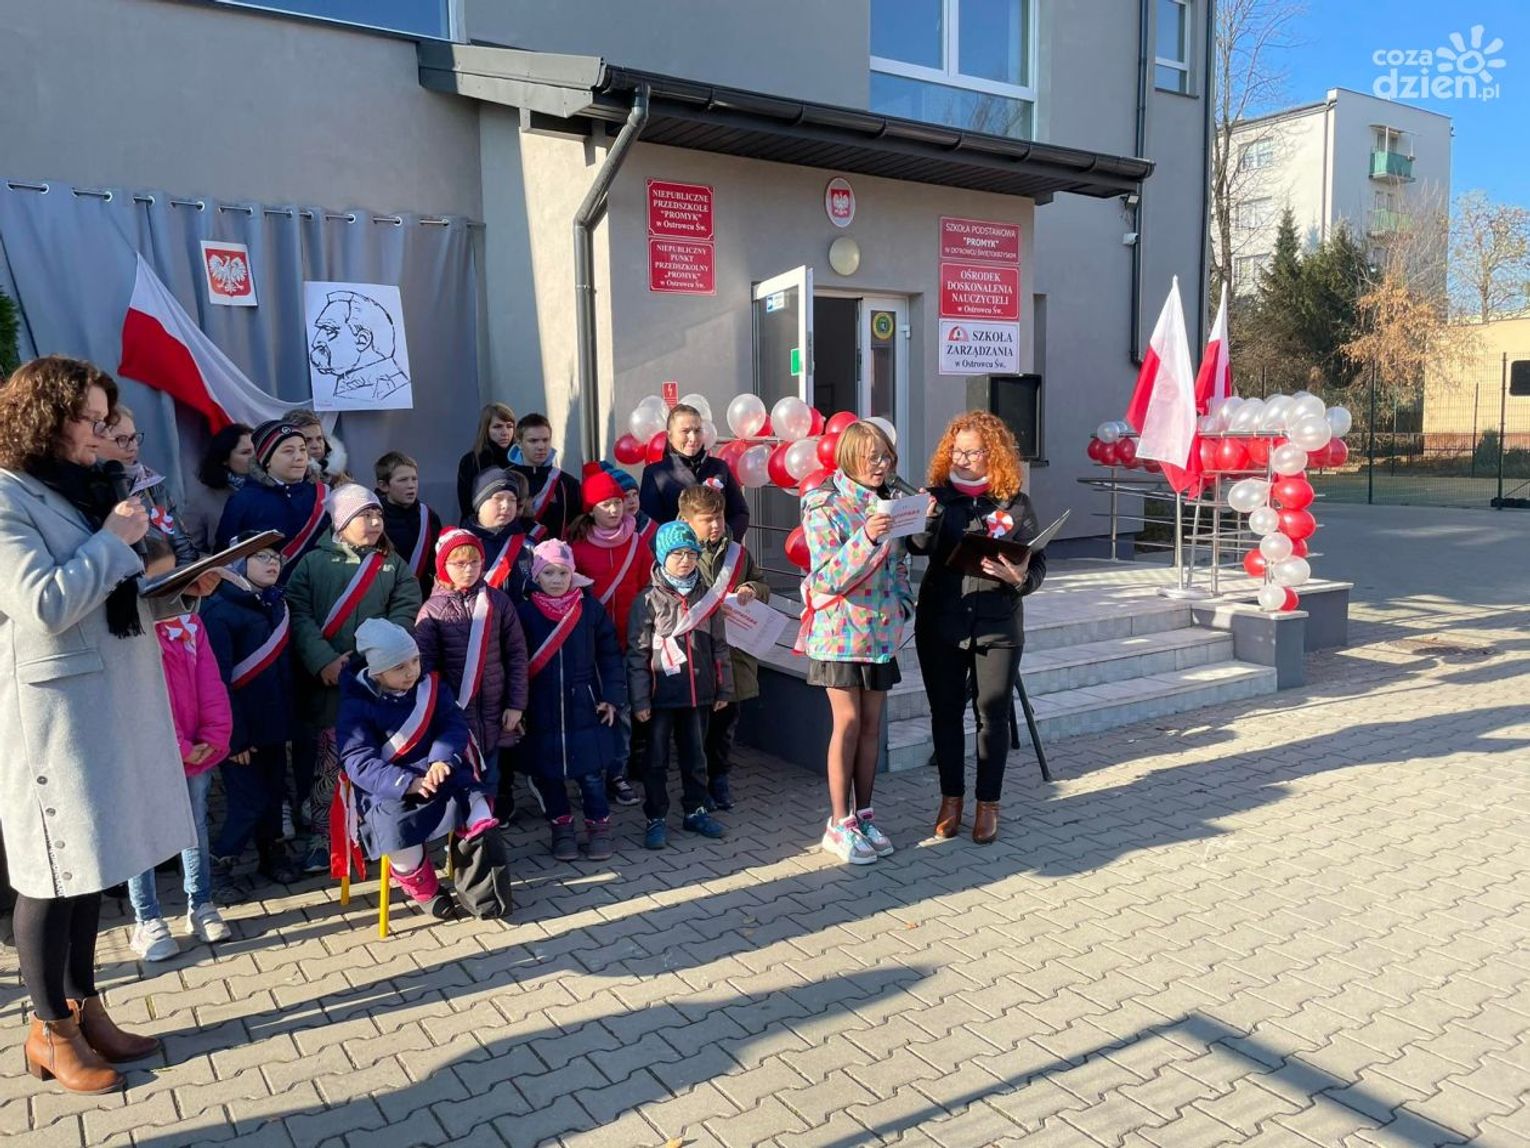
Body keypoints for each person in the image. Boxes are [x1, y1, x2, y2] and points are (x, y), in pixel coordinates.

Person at [0, 356, 214, 1093]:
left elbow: (114, 595)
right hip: (53, 716)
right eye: (89, 420)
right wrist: (113, 539)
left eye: (103, 418)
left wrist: (180, 591)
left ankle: (85, 1008)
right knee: (51, 870)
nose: (102, 433)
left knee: (92, 862)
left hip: (108, 703)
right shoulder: (7, 494)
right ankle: (48, 1029)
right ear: (46, 420)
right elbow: (43, 603)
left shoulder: (82, 489)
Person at [909, 411, 1046, 845]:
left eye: (972, 452)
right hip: (942, 621)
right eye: (957, 451)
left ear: (994, 454)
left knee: (993, 716)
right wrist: (926, 518)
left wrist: (1018, 579)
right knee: (945, 713)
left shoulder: (1015, 502)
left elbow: (1037, 564)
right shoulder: (936, 497)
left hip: (997, 623)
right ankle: (951, 800)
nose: (962, 459)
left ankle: (989, 805)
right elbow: (916, 546)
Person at [286, 484, 422, 874]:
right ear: (342, 522)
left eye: (378, 514)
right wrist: (324, 661)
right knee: (328, 766)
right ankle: (323, 839)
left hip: (377, 683)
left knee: (376, 760)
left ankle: (376, 834)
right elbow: (298, 613)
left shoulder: (392, 564)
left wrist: (384, 655)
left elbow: (406, 605)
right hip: (329, 685)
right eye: (366, 515)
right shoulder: (312, 564)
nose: (376, 522)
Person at [798, 420, 915, 866]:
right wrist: (867, 536)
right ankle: (838, 822)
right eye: (872, 458)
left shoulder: (890, 503)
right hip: (840, 634)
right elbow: (826, 576)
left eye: (886, 457)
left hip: (881, 632)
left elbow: (899, 563)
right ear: (849, 458)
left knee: (871, 726)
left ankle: (865, 815)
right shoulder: (824, 505)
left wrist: (903, 603)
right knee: (846, 723)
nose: (881, 466)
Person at [337, 619, 496, 922]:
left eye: (414, 661)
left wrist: (441, 760)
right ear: (377, 671)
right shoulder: (356, 704)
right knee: (395, 830)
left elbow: (453, 725)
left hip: (438, 770)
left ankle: (480, 882)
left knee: (477, 806)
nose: (411, 671)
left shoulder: (431, 686)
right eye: (399, 667)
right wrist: (406, 783)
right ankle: (422, 886)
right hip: (389, 785)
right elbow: (358, 760)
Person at [126, 534, 234, 961]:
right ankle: (147, 918)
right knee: (142, 830)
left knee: (194, 825)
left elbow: (209, 682)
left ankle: (201, 903)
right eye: (154, 582)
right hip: (148, 751)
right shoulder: (127, 634)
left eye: (171, 578)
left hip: (196, 752)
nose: (166, 591)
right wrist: (176, 746)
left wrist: (213, 737)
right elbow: (138, 701)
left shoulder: (189, 624)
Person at [201, 535, 301, 893]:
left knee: (274, 795)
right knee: (249, 802)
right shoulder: (219, 610)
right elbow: (217, 680)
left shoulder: (276, 603)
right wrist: (235, 737)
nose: (272, 563)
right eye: (260, 557)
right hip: (239, 732)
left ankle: (272, 855)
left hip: (272, 723)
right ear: (237, 564)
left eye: (276, 556)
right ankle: (218, 866)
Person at [515, 540, 625, 862]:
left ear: (572, 574)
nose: (556, 579)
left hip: (585, 706)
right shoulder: (524, 613)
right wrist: (517, 706)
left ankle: (599, 828)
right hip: (540, 707)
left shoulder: (590, 610)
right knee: (548, 775)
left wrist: (611, 697)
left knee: (591, 775)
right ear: (536, 575)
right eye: (548, 573)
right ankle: (561, 828)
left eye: (563, 572)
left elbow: (609, 655)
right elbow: (515, 663)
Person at [627, 521, 732, 850]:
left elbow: (720, 646)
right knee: (656, 759)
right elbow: (637, 653)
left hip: (699, 693)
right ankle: (656, 816)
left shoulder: (708, 596)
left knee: (696, 757)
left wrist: (724, 688)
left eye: (691, 553)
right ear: (662, 556)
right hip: (660, 696)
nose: (685, 560)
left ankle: (695, 810)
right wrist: (640, 699)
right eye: (677, 554)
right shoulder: (647, 600)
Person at [415, 528, 529, 805]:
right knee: (457, 782)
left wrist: (516, 704)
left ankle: (487, 825)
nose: (468, 569)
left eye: (474, 562)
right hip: (453, 716)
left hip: (494, 712)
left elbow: (516, 654)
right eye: (459, 563)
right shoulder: (431, 610)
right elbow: (425, 670)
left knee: (491, 778)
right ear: (443, 565)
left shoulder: (498, 602)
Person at [678, 484, 770, 812]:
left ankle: (719, 777)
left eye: (718, 517)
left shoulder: (738, 554)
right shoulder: (680, 555)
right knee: (697, 726)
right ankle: (698, 784)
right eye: (707, 519)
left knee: (725, 723)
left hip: (733, 654)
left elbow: (761, 582)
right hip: (698, 654)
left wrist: (752, 589)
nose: (716, 525)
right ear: (687, 521)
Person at [568, 462, 654, 808]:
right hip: (590, 645)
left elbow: (647, 587)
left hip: (629, 642)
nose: (615, 509)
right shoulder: (576, 549)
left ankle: (617, 774)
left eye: (618, 502)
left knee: (622, 710)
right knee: (592, 711)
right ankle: (590, 774)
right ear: (591, 509)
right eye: (606, 504)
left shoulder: (637, 543)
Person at [216, 420, 331, 576]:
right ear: (266, 459)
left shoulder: (324, 494)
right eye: (288, 451)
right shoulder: (243, 500)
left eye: (302, 449)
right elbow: (226, 557)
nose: (299, 457)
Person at [94, 404, 200, 565]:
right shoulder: (89, 491)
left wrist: (185, 575)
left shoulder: (154, 487)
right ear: (95, 442)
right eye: (121, 439)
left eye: (134, 438)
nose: (133, 447)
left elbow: (184, 548)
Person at [639, 404, 749, 540]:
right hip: (679, 550)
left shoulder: (719, 467)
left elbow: (740, 513)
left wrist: (722, 539)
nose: (693, 438)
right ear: (670, 435)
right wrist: (683, 544)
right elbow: (652, 524)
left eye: (697, 431)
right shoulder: (655, 474)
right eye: (685, 431)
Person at [376, 450, 442, 596]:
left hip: (422, 597)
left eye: (414, 479)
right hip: (383, 598)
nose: (411, 485)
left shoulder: (428, 517)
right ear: (384, 486)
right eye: (403, 480)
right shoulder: (373, 518)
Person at [181, 422, 254, 554]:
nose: (255, 457)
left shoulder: (276, 487)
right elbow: (188, 550)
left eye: (257, 450)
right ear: (224, 459)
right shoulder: (203, 501)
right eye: (246, 452)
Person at [463, 468, 535, 601]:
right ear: (479, 503)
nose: (506, 505)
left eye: (512, 500)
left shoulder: (529, 546)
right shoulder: (461, 545)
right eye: (498, 498)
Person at [508, 412, 580, 540]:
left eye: (545, 440)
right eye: (533, 441)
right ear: (519, 443)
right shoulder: (504, 479)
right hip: (515, 551)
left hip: (557, 552)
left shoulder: (567, 483)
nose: (541, 446)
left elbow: (576, 528)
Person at [455, 402, 516, 524]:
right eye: (497, 427)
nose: (505, 432)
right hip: (478, 527)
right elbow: (466, 507)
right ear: (486, 429)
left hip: (515, 529)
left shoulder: (520, 459)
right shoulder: (470, 461)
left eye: (509, 426)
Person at [281, 406, 349, 485]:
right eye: (307, 440)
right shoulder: (280, 483)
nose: (316, 446)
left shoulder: (341, 480)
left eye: (319, 438)